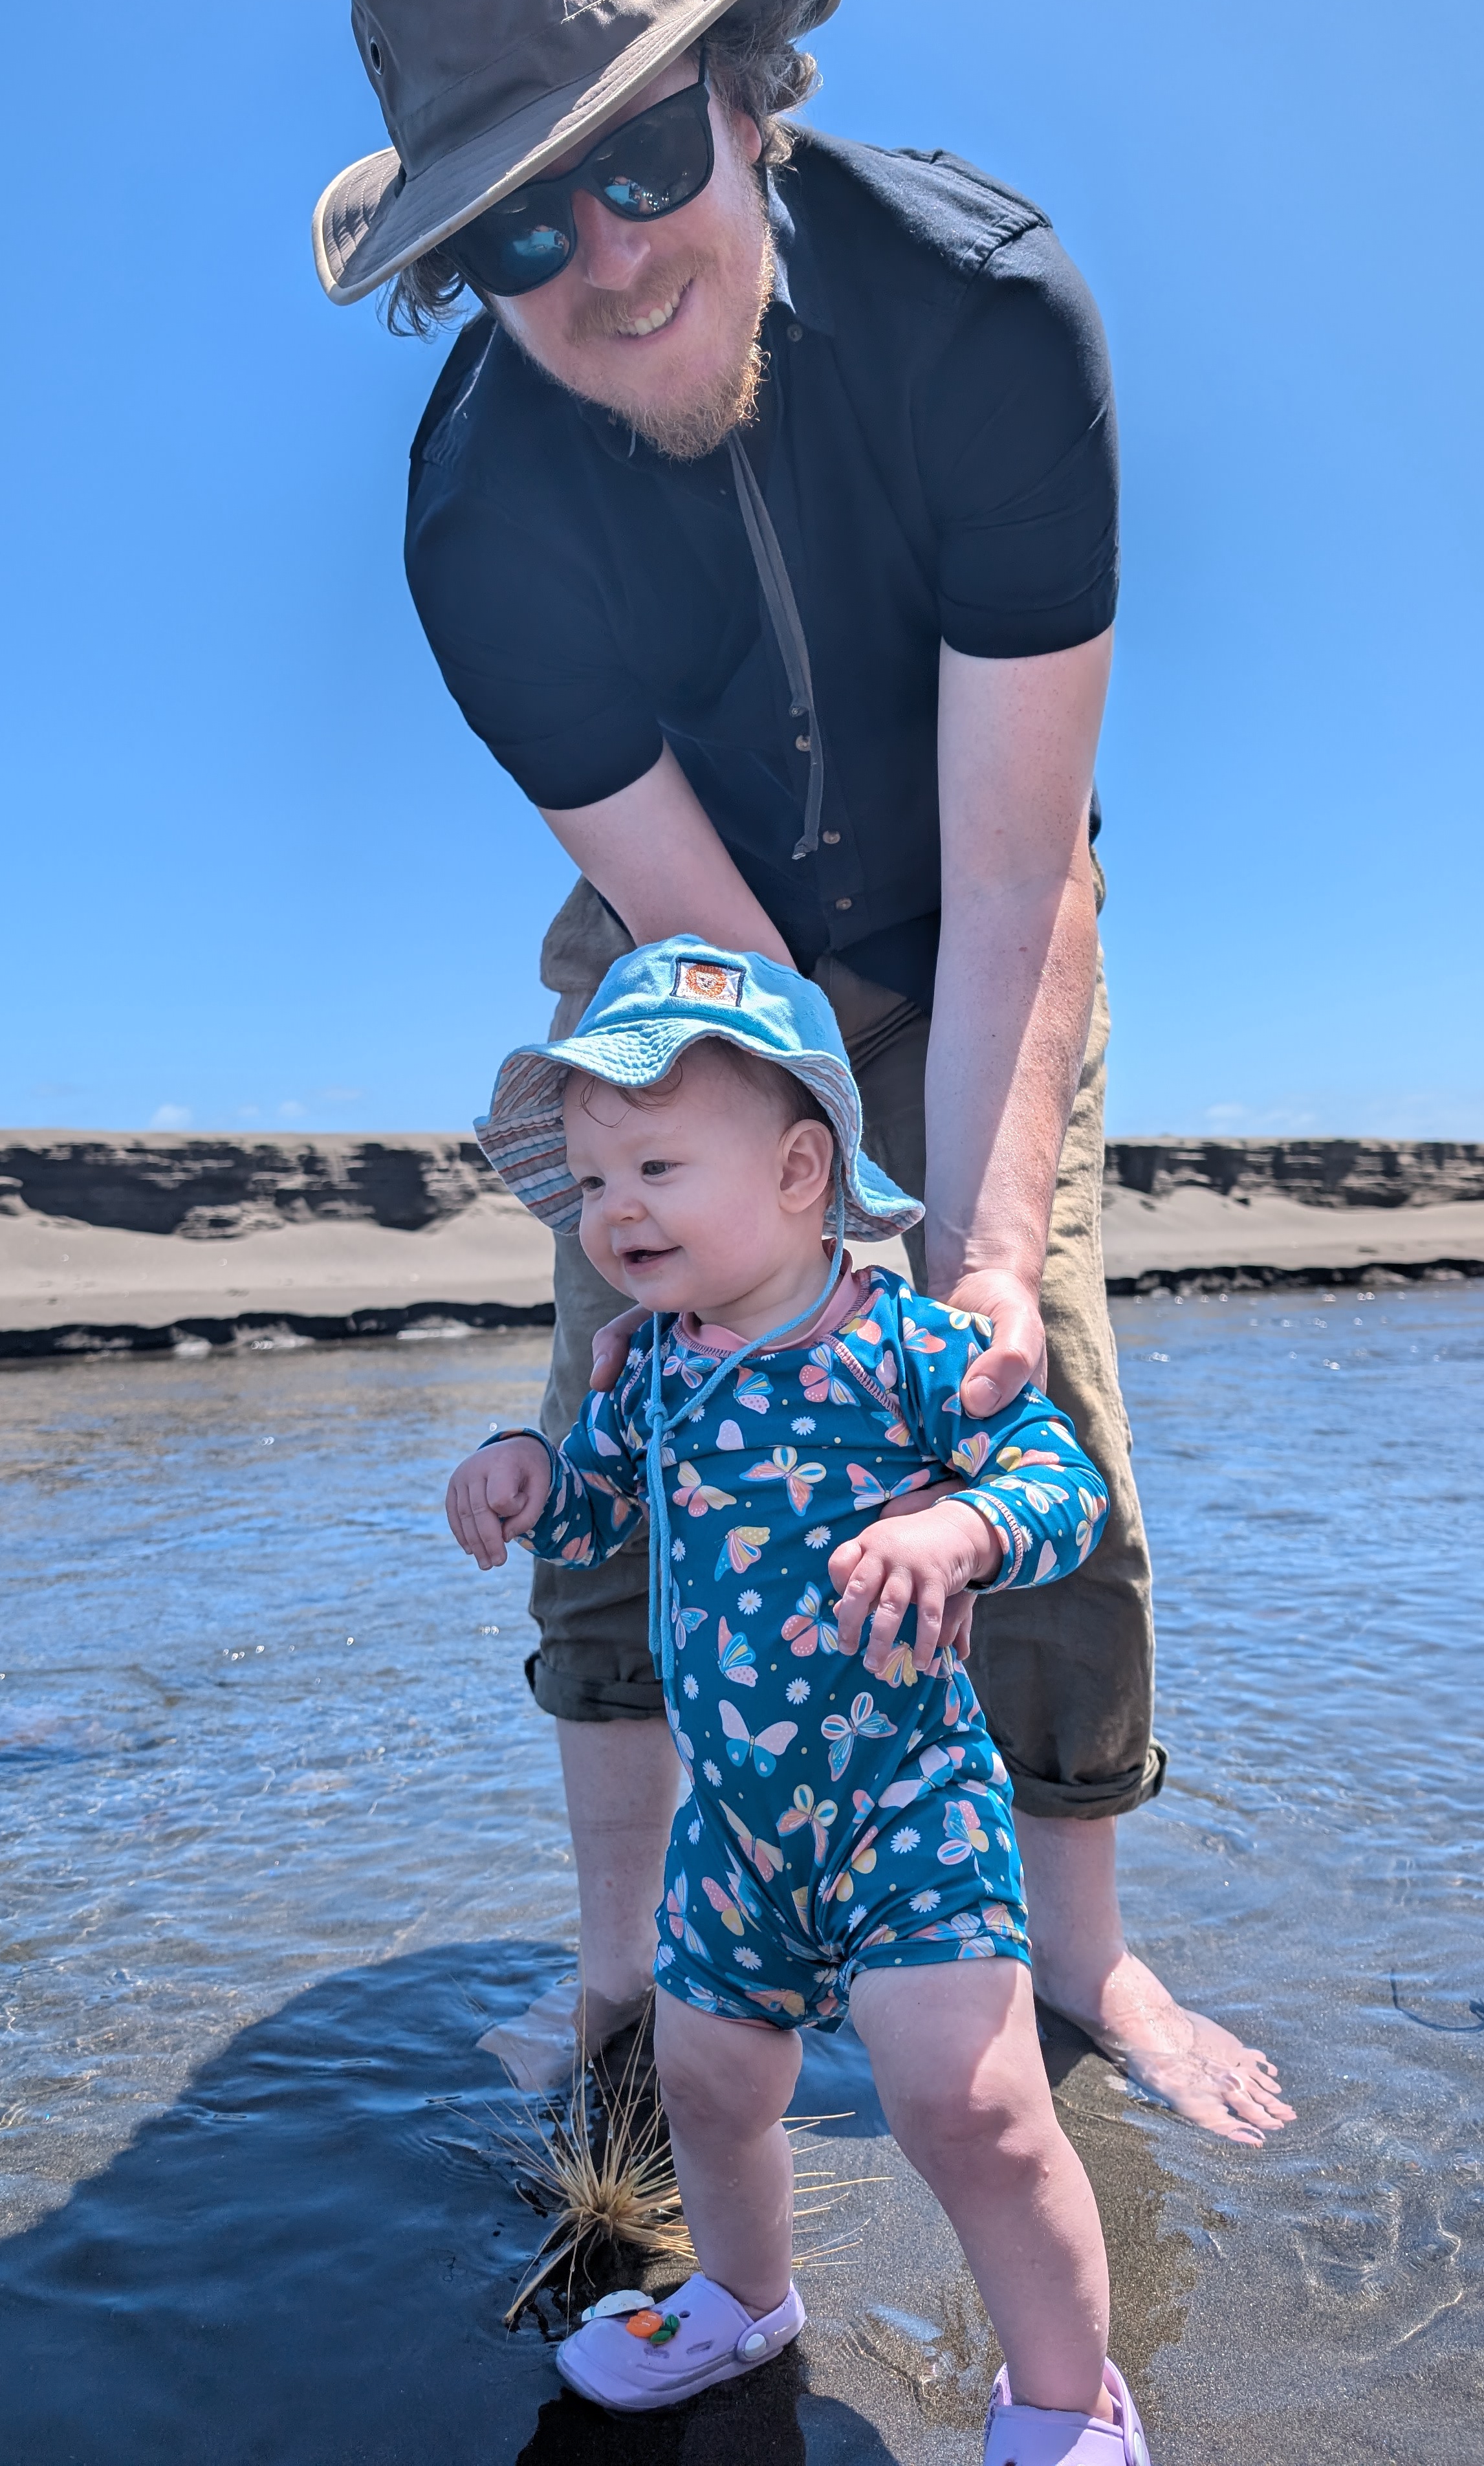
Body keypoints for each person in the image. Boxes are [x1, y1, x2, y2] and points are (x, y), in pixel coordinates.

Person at [316, 0, 1290, 2142]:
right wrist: (781, 1238)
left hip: (982, 903)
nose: (609, 258)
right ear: (464, 272)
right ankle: (628, 1971)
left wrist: (952, 1256)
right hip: (685, 944)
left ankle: (1086, 1963)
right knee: (638, 1376)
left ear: (747, 94)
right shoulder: (477, 522)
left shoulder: (984, 310)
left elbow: (1013, 856)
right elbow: (714, 954)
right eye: (521, 230)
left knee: (1014, 1372)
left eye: (642, 156)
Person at [447, 941, 1152, 2463]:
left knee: (970, 2108)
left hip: (910, 1800)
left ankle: (1062, 2400)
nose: (612, 1207)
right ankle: (744, 2303)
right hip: (738, 1825)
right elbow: (594, 1517)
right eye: (588, 1181)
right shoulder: (652, 1376)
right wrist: (528, 1472)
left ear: (798, 1169)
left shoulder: (909, 1345)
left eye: (652, 1164)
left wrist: (959, 1524)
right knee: (708, 2086)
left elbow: (1059, 1486)